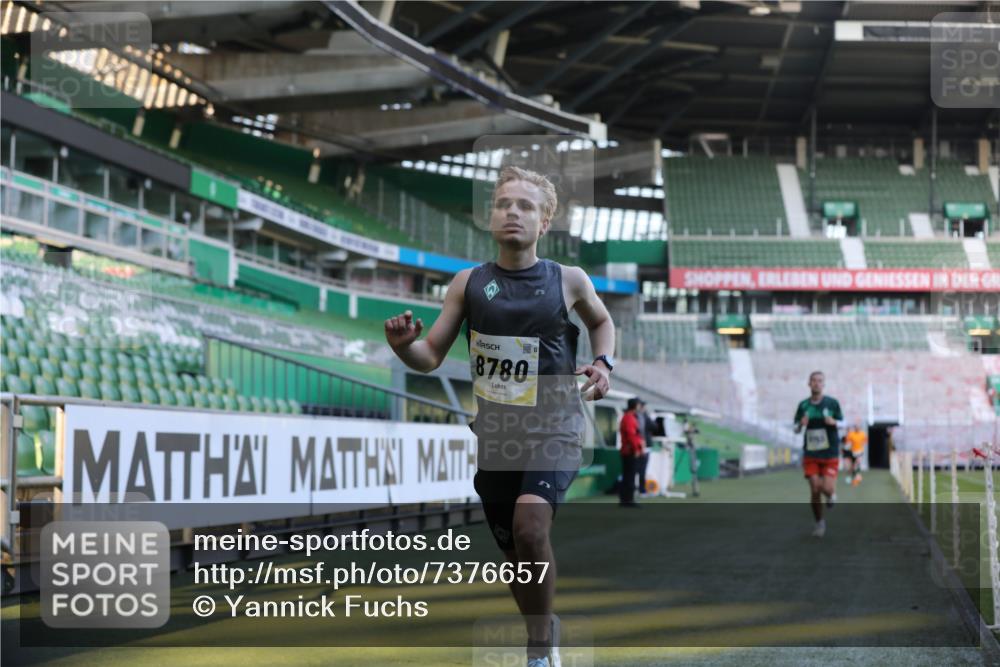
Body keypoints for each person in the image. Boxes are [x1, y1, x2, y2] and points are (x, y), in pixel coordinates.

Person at [384, 165, 615, 667]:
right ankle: (542, 627)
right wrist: (405, 349)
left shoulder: (568, 279)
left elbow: (601, 321)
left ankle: (538, 651)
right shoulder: (468, 284)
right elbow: (430, 356)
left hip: (555, 427)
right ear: (491, 216)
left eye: (526, 205)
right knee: (517, 557)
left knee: (531, 528)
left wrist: (602, 362)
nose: (513, 212)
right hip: (497, 438)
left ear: (544, 221)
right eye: (504, 203)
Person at [794, 371, 844, 538]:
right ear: (809, 384)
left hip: (830, 453)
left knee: (826, 488)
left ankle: (831, 495)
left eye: (820, 381)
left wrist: (834, 422)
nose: (816, 383)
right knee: (815, 489)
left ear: (824, 384)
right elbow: (795, 429)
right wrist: (800, 425)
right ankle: (819, 523)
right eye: (813, 381)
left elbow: (845, 423)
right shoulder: (803, 406)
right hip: (811, 452)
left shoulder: (832, 403)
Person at [619, 398, 644, 507]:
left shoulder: (628, 417)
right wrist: (637, 449)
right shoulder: (629, 417)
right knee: (630, 476)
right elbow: (631, 435)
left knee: (628, 475)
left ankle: (626, 499)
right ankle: (628, 500)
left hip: (629, 450)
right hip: (630, 451)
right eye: (639, 405)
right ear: (636, 406)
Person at [636, 400, 655, 496]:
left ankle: (639, 489)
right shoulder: (643, 417)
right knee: (641, 469)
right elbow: (654, 426)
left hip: (640, 446)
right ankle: (641, 490)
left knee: (639, 469)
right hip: (642, 447)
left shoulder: (637, 416)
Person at [843, 421, 868, 486]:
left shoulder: (863, 434)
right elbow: (847, 442)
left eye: (858, 426)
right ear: (854, 427)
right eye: (856, 427)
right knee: (852, 466)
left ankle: (857, 478)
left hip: (859, 452)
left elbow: (865, 441)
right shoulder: (851, 434)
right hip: (852, 452)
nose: (857, 428)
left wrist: (862, 444)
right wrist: (848, 445)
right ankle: (853, 477)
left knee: (857, 463)